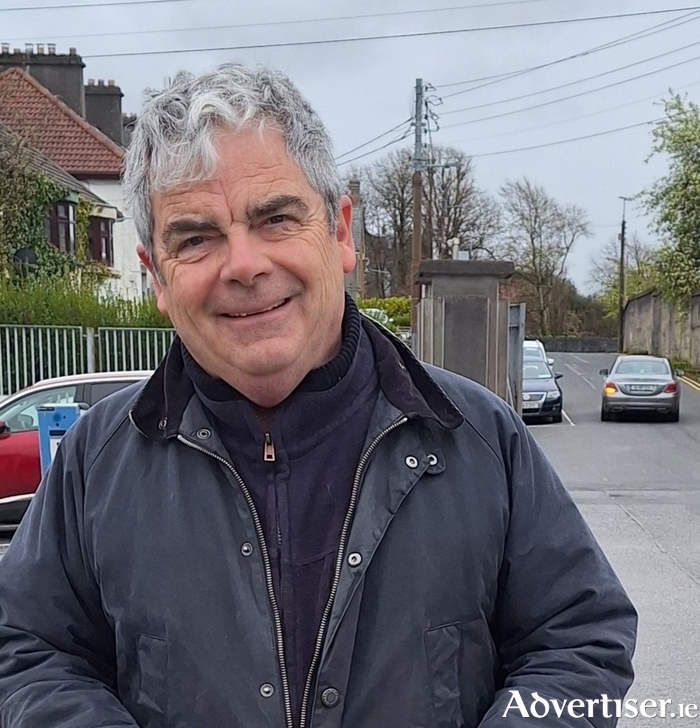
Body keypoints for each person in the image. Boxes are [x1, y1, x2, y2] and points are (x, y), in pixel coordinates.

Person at [0, 64, 636, 728]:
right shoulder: (94, 466)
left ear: (339, 232)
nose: (244, 265)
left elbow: (580, 643)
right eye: (196, 238)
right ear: (157, 276)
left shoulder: (480, 441)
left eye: (274, 219)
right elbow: (32, 652)